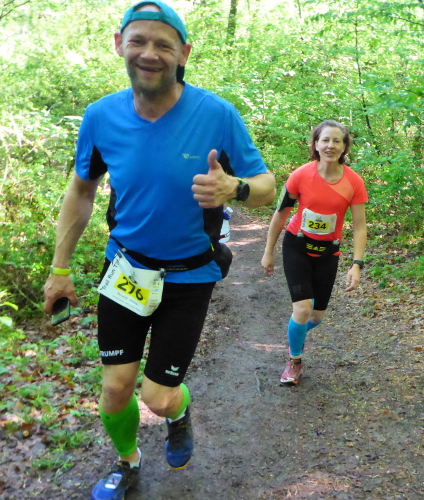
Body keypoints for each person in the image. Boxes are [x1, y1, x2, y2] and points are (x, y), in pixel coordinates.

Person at [42, 2, 275, 498]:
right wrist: (60, 268)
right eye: (138, 41)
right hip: (126, 269)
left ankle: (178, 412)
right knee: (115, 388)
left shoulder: (216, 114)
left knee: (159, 397)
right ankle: (126, 462)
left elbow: (266, 186)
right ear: (119, 45)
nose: (149, 53)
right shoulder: (100, 116)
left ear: (183, 53)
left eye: (163, 44)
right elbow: (81, 191)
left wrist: (234, 188)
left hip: (190, 275)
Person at [261, 120, 368, 385]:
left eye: (337, 141)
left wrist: (357, 264)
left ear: (345, 147)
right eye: (325, 140)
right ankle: (294, 360)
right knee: (302, 308)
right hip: (297, 246)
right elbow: (280, 214)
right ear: (316, 144)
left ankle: (294, 333)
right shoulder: (300, 175)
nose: (331, 145)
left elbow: (359, 226)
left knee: (316, 317)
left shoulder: (354, 182)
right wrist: (268, 251)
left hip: (328, 253)